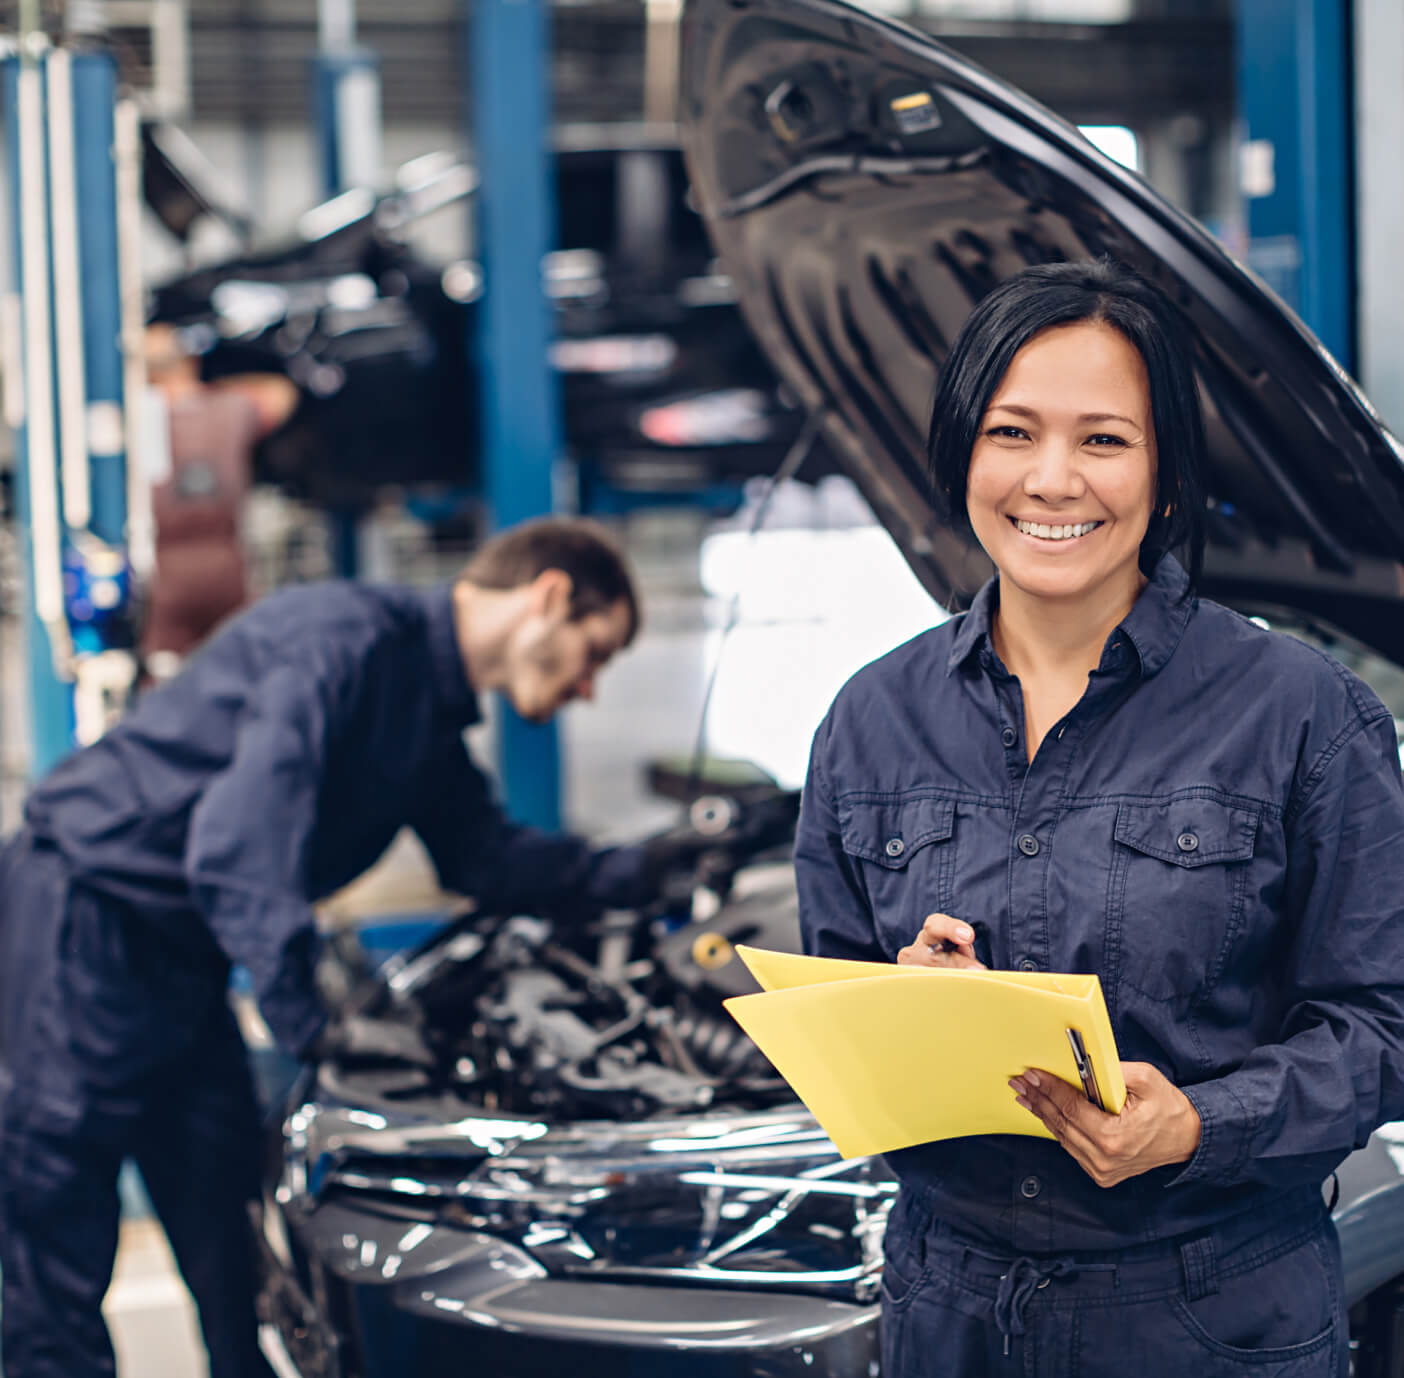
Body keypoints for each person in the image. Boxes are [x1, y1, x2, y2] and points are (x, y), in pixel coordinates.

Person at [793, 259, 1404, 1376]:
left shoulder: (1302, 713)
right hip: (948, 1307)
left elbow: (1387, 1024)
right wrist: (907, 1010)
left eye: (1105, 440)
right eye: (1012, 432)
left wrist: (1202, 1123)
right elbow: (837, 1016)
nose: (1053, 479)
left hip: (1211, 1310)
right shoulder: (869, 719)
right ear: (962, 455)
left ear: (1167, 476)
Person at [0, 515, 692, 1378]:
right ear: (548, 597)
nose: (589, 687)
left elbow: (487, 858)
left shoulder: (426, 721)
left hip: (181, 954)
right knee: (57, 1230)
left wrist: (655, 866)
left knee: (224, 1221)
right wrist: (316, 1026)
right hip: (84, 922)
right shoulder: (344, 641)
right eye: (596, 651)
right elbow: (237, 845)